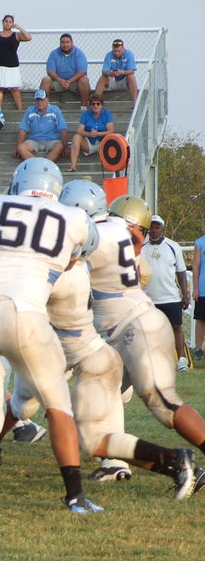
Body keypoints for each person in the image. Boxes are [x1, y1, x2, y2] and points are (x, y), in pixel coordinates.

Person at [0, 158, 97, 511]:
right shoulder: (76, 218)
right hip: (24, 313)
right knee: (58, 405)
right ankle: (75, 496)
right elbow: (73, 260)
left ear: (19, 182)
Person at [88, 195, 205, 490]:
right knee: (100, 406)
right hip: (120, 331)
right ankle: (116, 464)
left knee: (163, 403)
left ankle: (179, 462)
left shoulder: (100, 235)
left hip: (135, 328)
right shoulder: (127, 245)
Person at [140, 214, 191, 371]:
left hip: (170, 297)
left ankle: (181, 360)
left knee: (176, 327)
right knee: (149, 330)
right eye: (151, 228)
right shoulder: (141, 247)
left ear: (162, 229)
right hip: (148, 298)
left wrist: (185, 294)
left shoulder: (173, 246)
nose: (154, 230)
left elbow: (181, 272)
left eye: (157, 227)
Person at [0, 15, 32, 112]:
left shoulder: (16, 35)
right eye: (6, 21)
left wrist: (18, 27)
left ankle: (20, 111)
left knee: (14, 89)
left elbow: (28, 37)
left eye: (10, 22)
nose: (8, 23)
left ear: (12, 23)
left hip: (12, 66)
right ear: (3, 22)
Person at [40, 33, 91, 109]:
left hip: (74, 83)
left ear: (72, 43)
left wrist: (69, 81)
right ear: (60, 43)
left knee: (84, 80)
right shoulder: (54, 53)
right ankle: (43, 108)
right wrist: (60, 80)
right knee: (45, 81)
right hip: (58, 82)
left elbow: (82, 71)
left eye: (67, 42)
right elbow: (50, 71)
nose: (65, 45)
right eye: (63, 42)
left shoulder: (79, 53)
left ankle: (83, 108)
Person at [15, 90, 67, 162]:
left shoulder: (55, 110)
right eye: (38, 100)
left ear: (47, 100)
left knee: (59, 146)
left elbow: (63, 129)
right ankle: (38, 164)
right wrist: (17, 148)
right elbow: (22, 130)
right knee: (21, 148)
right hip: (34, 141)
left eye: (42, 100)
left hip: (52, 141)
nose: (40, 102)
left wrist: (65, 148)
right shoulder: (30, 110)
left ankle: (45, 164)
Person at [68, 95, 114, 172]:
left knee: (111, 137)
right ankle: (73, 166)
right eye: (93, 104)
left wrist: (98, 133)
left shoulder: (107, 113)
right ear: (90, 105)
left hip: (102, 143)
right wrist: (89, 134)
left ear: (101, 105)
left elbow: (111, 130)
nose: (96, 106)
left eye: (98, 104)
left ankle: (112, 166)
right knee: (76, 137)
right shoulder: (86, 114)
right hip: (89, 142)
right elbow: (79, 130)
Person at [95, 38, 138, 106]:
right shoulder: (109, 55)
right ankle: (96, 102)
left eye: (119, 51)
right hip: (113, 80)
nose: (117, 53)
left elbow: (132, 70)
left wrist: (122, 72)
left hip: (124, 81)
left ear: (123, 49)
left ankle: (135, 103)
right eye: (115, 51)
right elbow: (104, 71)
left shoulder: (129, 54)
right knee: (102, 78)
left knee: (131, 76)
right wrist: (110, 73)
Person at [195, 230, 205, 364]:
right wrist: (196, 288)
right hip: (203, 288)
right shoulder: (199, 242)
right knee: (201, 319)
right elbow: (196, 267)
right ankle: (198, 349)